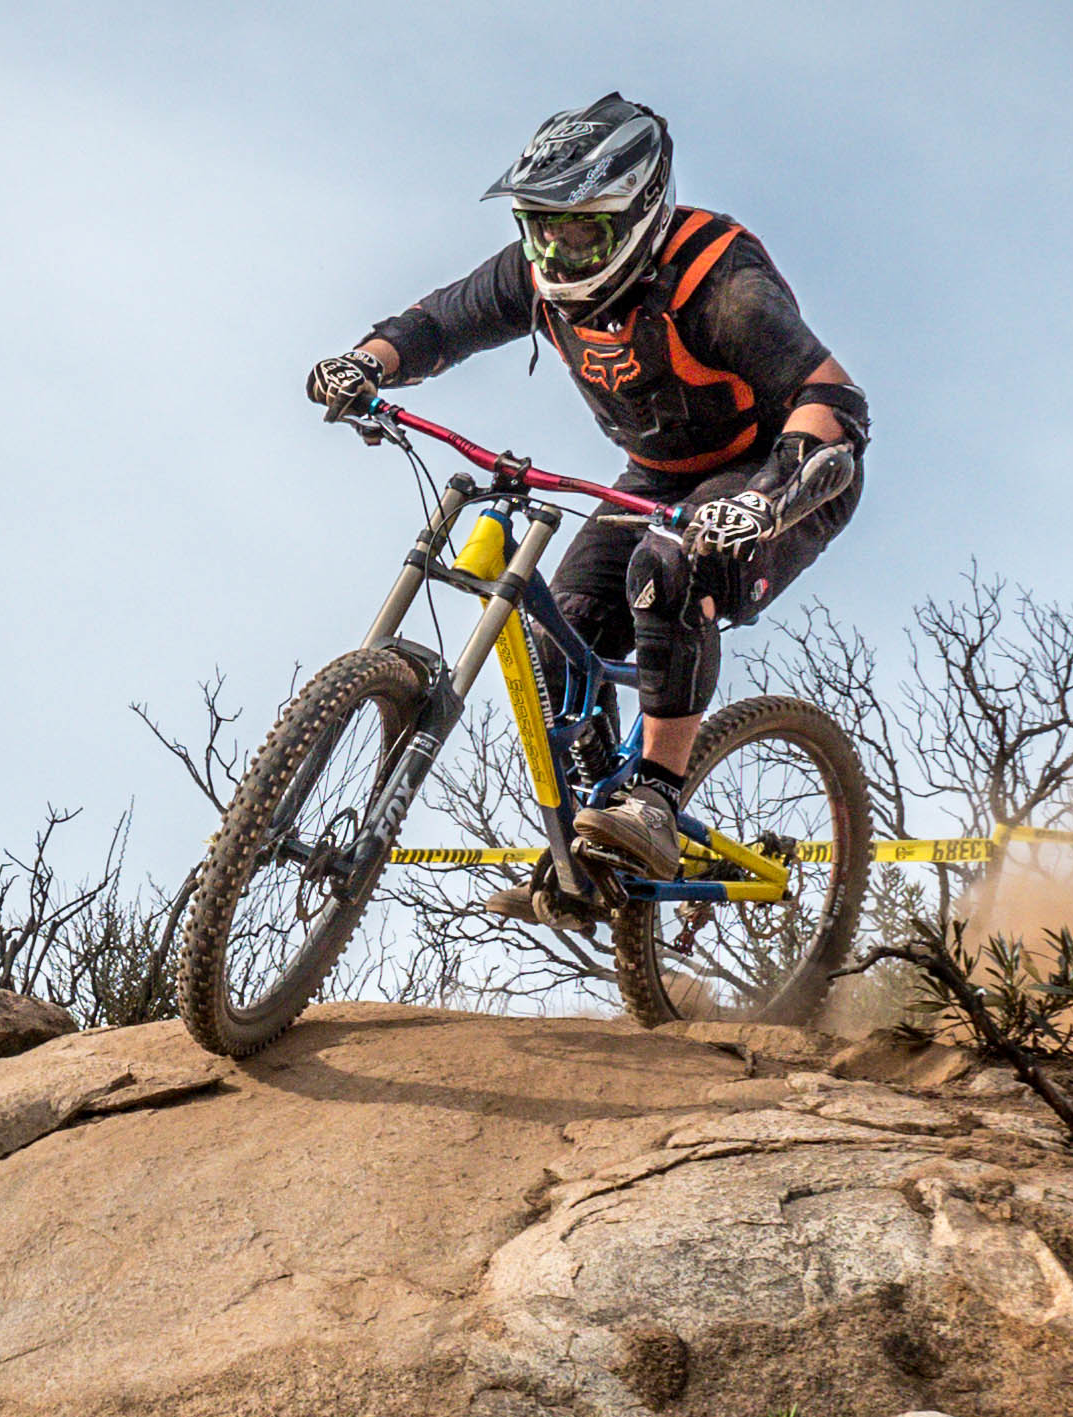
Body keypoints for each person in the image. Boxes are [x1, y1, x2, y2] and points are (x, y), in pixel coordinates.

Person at [305, 94, 865, 894]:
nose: (557, 254)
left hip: (784, 474)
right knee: (556, 629)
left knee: (670, 569)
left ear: (638, 212)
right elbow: (438, 322)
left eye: (580, 232)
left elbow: (834, 399)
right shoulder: (534, 274)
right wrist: (365, 364)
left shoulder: (719, 281)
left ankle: (655, 803)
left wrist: (770, 498)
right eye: (540, 228)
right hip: (658, 476)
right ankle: (592, 841)